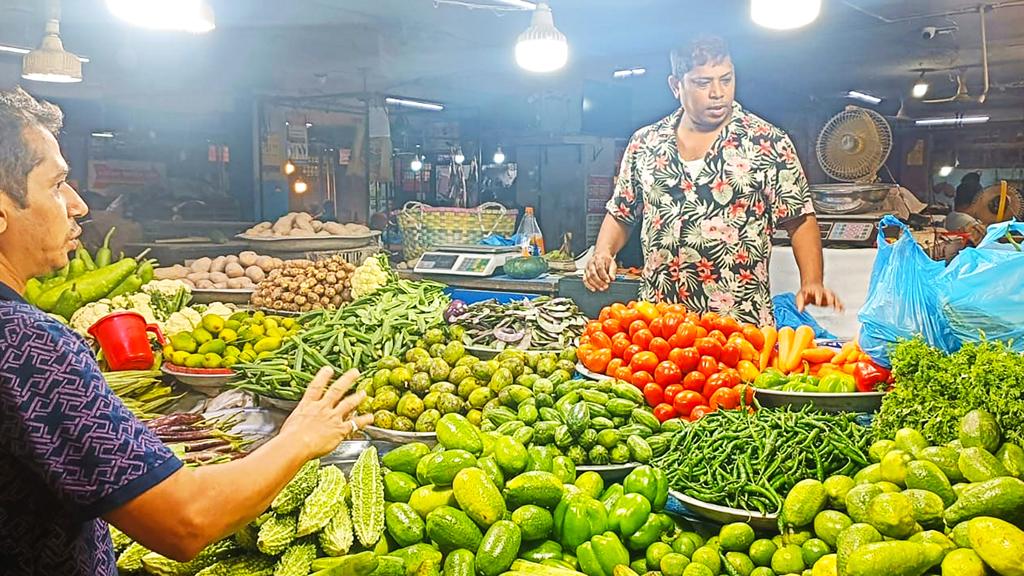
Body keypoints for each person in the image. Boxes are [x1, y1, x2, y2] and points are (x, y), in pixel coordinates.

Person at [0, 87, 374, 574]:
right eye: (55, 185)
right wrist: (299, 437)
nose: (78, 206)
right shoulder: (27, 345)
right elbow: (184, 520)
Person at [584, 36, 841, 326]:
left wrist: (812, 280)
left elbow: (799, 218)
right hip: (659, 324)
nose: (718, 92)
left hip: (739, 322)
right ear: (675, 86)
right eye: (702, 83)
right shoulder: (645, 143)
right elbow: (621, 212)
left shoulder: (766, 141)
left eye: (726, 79)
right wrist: (603, 253)